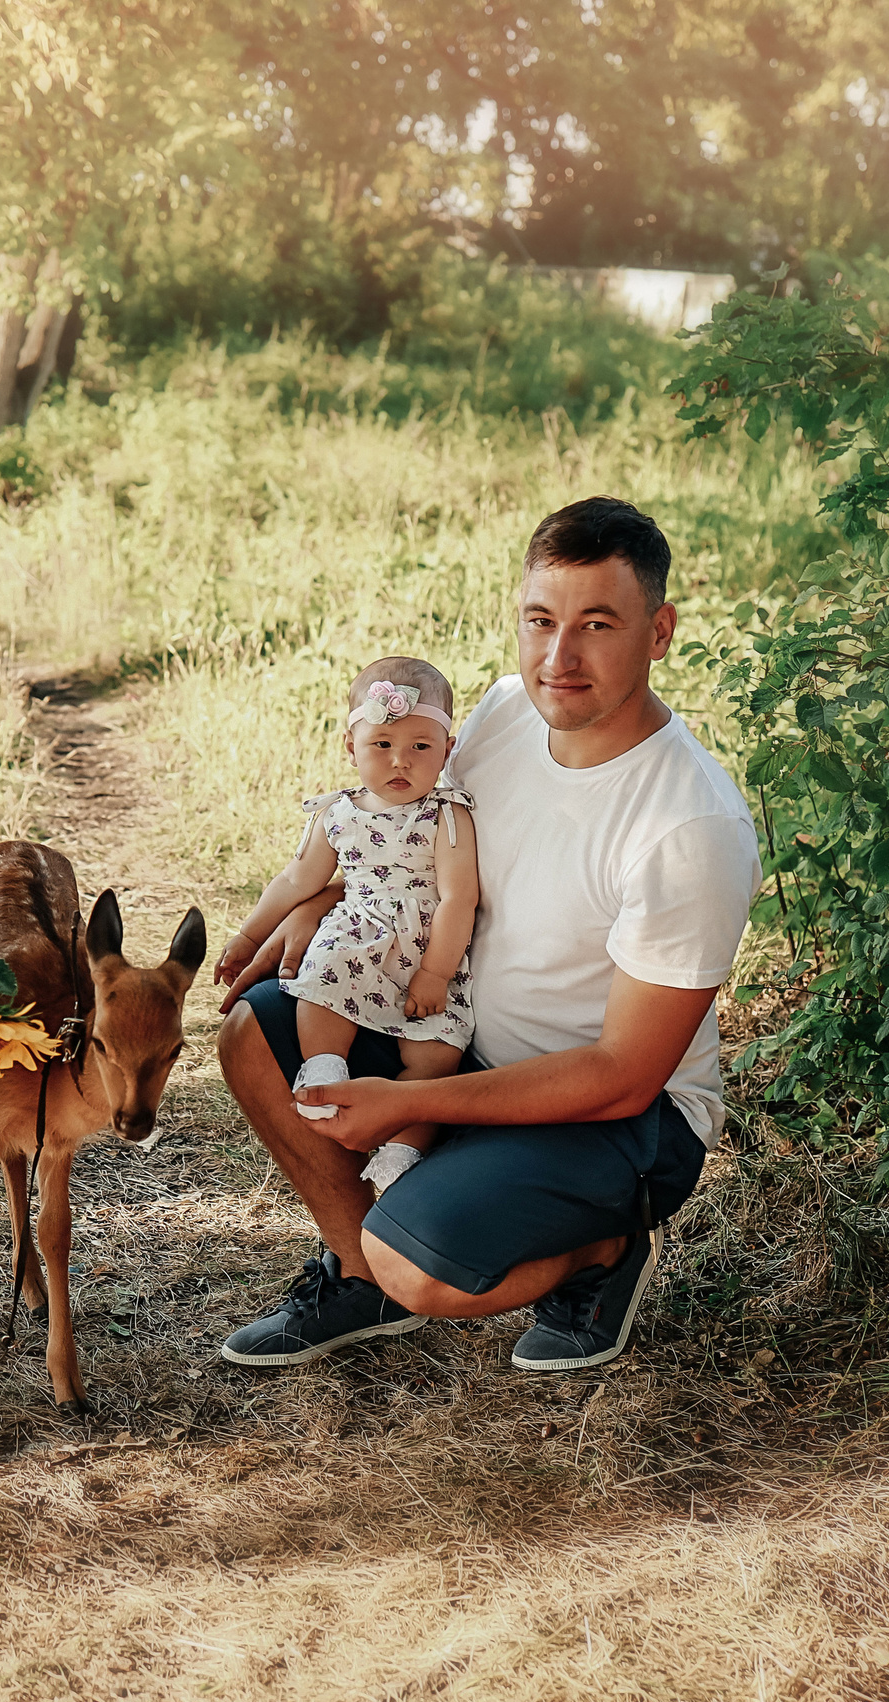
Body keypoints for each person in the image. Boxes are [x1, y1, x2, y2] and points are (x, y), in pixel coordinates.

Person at [215, 497, 761, 1373]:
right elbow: (409, 852)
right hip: (458, 1032)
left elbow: (623, 1077)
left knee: (426, 1263)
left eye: (597, 624)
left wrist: (410, 1103)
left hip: (617, 1117)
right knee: (258, 1028)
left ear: (659, 632)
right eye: (540, 620)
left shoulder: (687, 825)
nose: (560, 657)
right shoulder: (508, 712)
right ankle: (362, 1277)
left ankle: (601, 1255)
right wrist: (313, 911)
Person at [215, 657, 478, 1191]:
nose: (400, 761)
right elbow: (296, 881)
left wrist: (434, 972)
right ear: (350, 746)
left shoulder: (448, 814)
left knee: (437, 1056)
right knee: (322, 985)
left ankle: (403, 1147)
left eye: (420, 747)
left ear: (447, 751)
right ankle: (324, 1067)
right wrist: (249, 935)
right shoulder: (337, 813)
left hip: (429, 950)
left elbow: (458, 899)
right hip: (356, 933)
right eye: (381, 744)